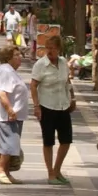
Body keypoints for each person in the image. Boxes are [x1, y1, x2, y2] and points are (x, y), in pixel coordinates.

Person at [30, 34, 75, 184]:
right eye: (47, 48)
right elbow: (33, 85)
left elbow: (67, 82)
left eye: (53, 48)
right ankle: (50, 173)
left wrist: (72, 98)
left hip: (63, 105)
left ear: (59, 49)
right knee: (48, 141)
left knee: (66, 140)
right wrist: (36, 106)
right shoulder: (41, 64)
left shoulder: (63, 63)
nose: (49, 51)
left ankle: (57, 170)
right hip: (47, 106)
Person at [0, 45, 29, 184]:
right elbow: (2, 93)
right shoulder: (6, 71)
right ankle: (0, 169)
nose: (20, 58)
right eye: (16, 55)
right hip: (7, 115)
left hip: (15, 115)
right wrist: (10, 110)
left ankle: (6, 172)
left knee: (10, 143)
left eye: (20, 55)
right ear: (8, 58)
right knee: (9, 143)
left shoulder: (9, 71)